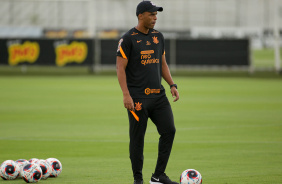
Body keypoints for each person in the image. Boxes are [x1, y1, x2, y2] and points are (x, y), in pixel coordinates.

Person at [116, 1, 179, 184]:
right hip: (137, 99)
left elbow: (162, 64)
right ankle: (138, 179)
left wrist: (172, 84)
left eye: (156, 14)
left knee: (169, 131)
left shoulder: (158, 37)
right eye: (151, 14)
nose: (155, 17)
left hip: (158, 96)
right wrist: (126, 95)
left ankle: (158, 175)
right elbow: (120, 68)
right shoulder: (128, 39)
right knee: (137, 140)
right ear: (140, 15)